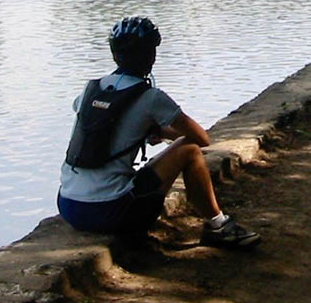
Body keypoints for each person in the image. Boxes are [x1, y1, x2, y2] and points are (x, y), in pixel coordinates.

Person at [57, 16, 261, 248]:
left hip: (68, 206)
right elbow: (201, 138)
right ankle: (219, 226)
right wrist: (161, 132)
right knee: (190, 151)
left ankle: (218, 226)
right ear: (151, 56)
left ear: (114, 55)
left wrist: (143, 130)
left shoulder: (89, 90)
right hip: (111, 212)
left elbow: (103, 125)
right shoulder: (151, 98)